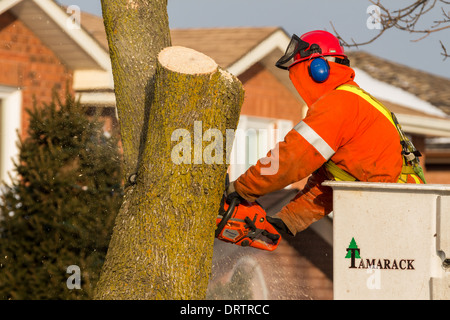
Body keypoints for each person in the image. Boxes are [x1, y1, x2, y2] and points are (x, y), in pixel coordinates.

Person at [226, 30, 425, 237]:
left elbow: (292, 157)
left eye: (297, 71)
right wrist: (289, 219)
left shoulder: (338, 105)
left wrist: (242, 188)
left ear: (317, 68)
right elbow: (331, 182)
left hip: (398, 209)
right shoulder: (350, 100)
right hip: (395, 206)